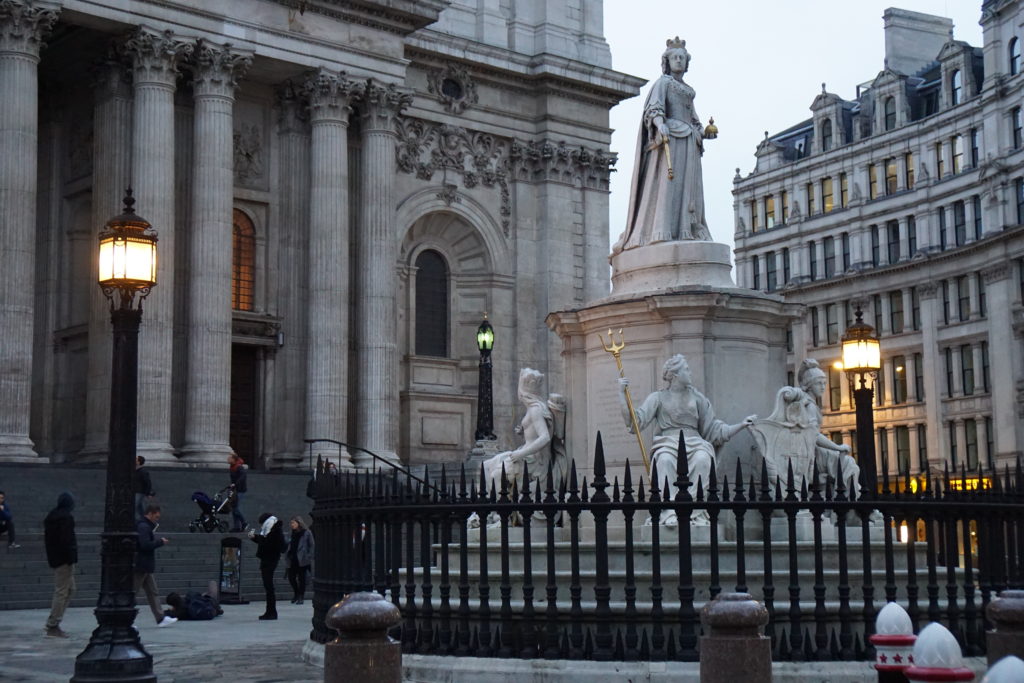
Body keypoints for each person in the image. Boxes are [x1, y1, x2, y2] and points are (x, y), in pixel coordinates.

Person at [619, 354, 754, 527]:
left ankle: (695, 512)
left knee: (703, 460)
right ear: (675, 375)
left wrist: (741, 425)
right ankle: (670, 511)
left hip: (695, 443)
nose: (690, 373)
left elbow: (714, 430)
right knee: (664, 461)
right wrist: (622, 395)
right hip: (667, 444)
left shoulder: (697, 398)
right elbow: (635, 423)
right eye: (686, 370)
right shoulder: (658, 398)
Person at [613, 37, 712, 254]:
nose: (678, 61)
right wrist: (660, 123)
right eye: (675, 57)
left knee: (689, 188)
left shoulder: (688, 89)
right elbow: (654, 108)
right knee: (670, 185)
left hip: (689, 140)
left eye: (682, 58)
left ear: (687, 63)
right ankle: (663, 230)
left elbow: (693, 117)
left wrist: (704, 132)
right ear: (667, 61)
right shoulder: (663, 83)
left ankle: (686, 228)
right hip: (671, 138)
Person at [135, 504, 176, 627]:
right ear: (150, 514)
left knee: (153, 592)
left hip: (145, 565)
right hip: (141, 565)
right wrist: (160, 542)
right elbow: (145, 545)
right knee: (133, 592)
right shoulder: (143, 527)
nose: (157, 520)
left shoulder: (145, 526)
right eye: (156, 517)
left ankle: (160, 618)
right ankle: (126, 620)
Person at [43, 492, 77, 637]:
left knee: (70, 589)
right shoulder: (66, 518)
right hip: (64, 559)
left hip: (56, 558)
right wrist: (70, 558)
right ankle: (53, 624)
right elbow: (66, 540)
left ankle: (55, 621)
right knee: (62, 591)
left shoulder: (52, 517)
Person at [249, 513, 285, 620]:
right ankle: (270, 611)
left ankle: (271, 612)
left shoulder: (274, 531)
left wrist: (257, 538)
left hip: (270, 560)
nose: (262, 526)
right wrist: (255, 537)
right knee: (268, 587)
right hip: (268, 560)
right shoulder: (272, 529)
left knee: (269, 587)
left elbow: (268, 544)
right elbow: (265, 541)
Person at [285, 516, 314, 604]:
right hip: (292, 558)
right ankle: (296, 593)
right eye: (291, 523)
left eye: (293, 523)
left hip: (303, 559)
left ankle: (301, 596)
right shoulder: (292, 533)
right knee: (291, 578)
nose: (292, 525)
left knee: (302, 579)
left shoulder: (307, 532)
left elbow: (312, 545)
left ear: (299, 523)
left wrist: (309, 556)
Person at [227, 454, 248, 532]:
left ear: (233, 459)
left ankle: (244, 522)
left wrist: (235, 483)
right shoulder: (232, 467)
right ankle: (237, 527)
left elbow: (243, 476)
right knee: (233, 508)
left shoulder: (239, 467)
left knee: (235, 508)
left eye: (229, 458)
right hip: (235, 490)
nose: (227, 459)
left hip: (240, 490)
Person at [134, 455, 155, 522]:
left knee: (134, 507)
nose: (134, 460)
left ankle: (136, 521)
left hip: (140, 492)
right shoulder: (137, 471)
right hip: (137, 491)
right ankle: (147, 521)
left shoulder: (143, 471)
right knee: (141, 509)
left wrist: (148, 493)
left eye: (136, 459)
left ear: (139, 462)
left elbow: (148, 482)